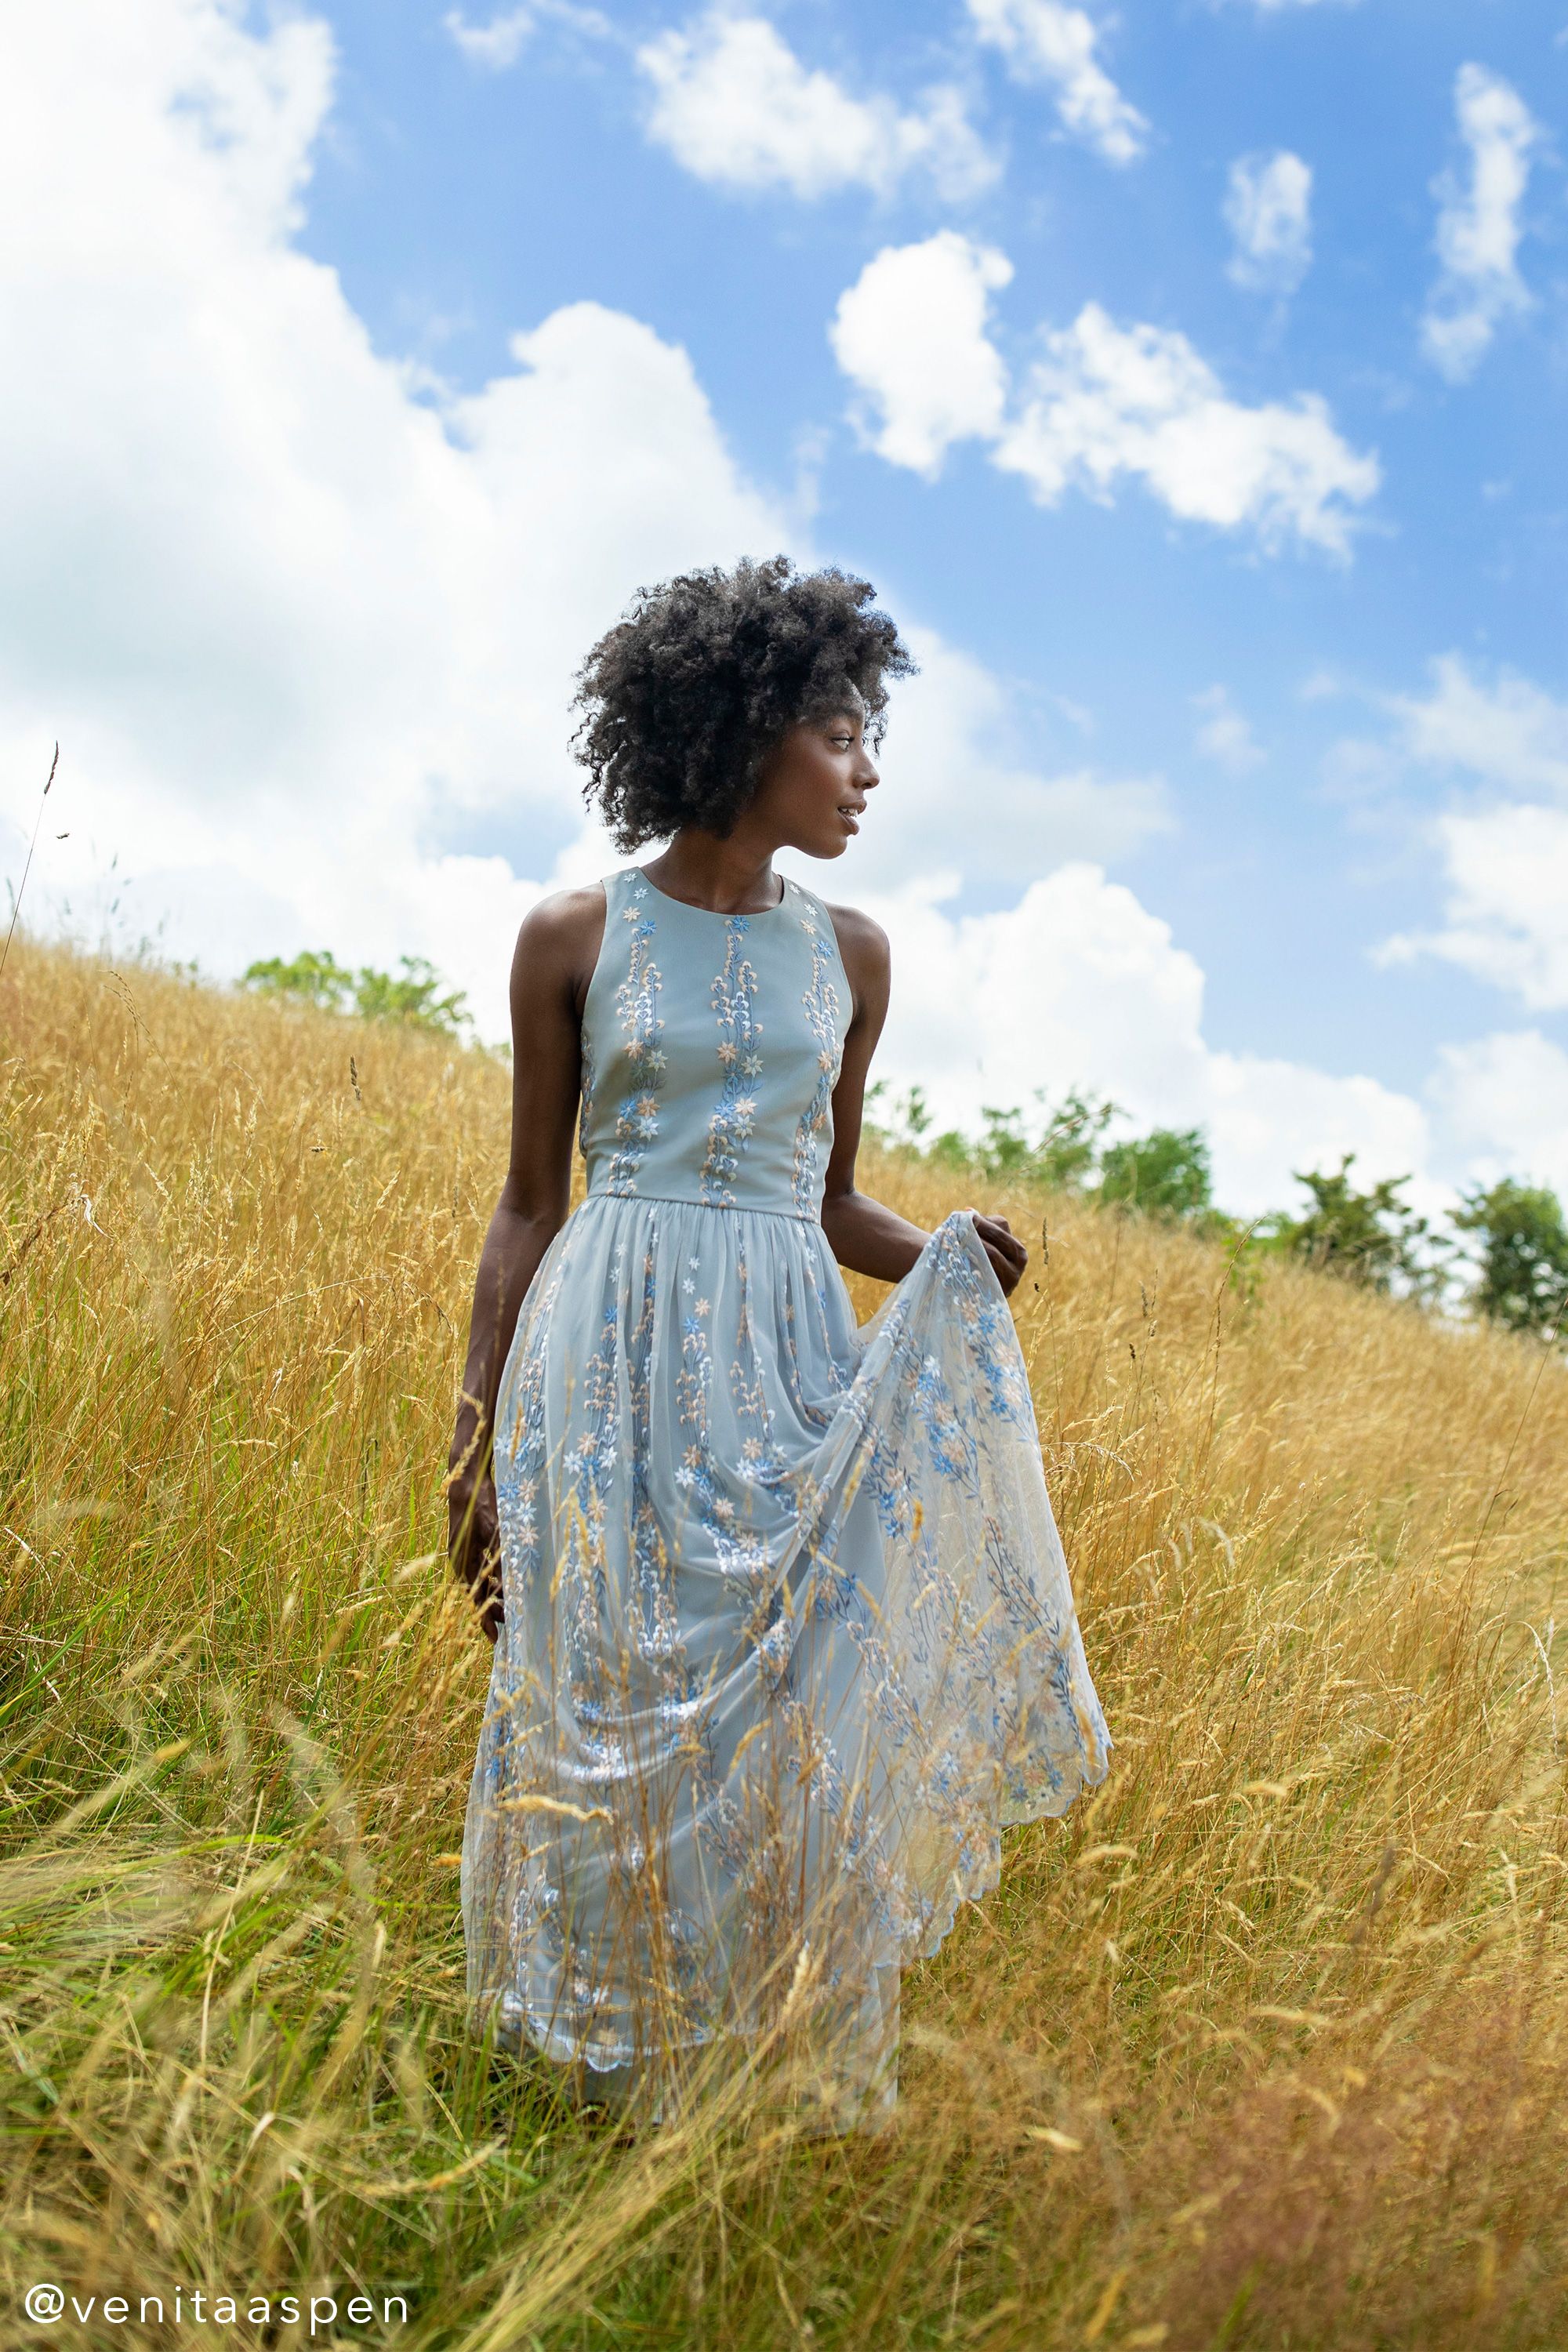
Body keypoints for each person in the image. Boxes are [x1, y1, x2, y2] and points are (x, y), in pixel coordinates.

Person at [448, 556, 1112, 2132]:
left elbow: (824, 1204)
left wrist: (943, 1251)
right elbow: (528, 1206)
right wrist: (471, 1429)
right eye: (841, 732)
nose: (867, 772)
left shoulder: (853, 956)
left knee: (778, 1726)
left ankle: (743, 2073)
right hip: (600, 1353)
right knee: (598, 1698)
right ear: (746, 728)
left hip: (787, 1368)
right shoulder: (568, 935)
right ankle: (580, 2068)